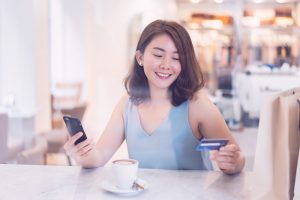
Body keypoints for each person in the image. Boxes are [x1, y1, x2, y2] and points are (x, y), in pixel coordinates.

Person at [64, 19, 245, 174]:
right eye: (158, 55)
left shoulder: (198, 105)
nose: (166, 65)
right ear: (140, 58)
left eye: (176, 58)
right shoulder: (127, 105)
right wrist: (81, 154)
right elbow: (99, 157)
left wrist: (232, 162)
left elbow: (238, 157)